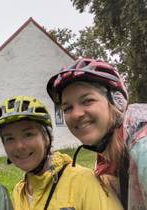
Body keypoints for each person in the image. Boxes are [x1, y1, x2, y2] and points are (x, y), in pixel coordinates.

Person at [47, 58, 147, 210]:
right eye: (67, 108)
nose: (76, 114)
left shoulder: (142, 144)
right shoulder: (105, 153)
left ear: (116, 101)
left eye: (87, 101)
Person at [0, 95, 123, 210]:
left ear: (46, 137)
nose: (19, 146)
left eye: (28, 134)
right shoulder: (19, 192)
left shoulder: (82, 181)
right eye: (9, 138)